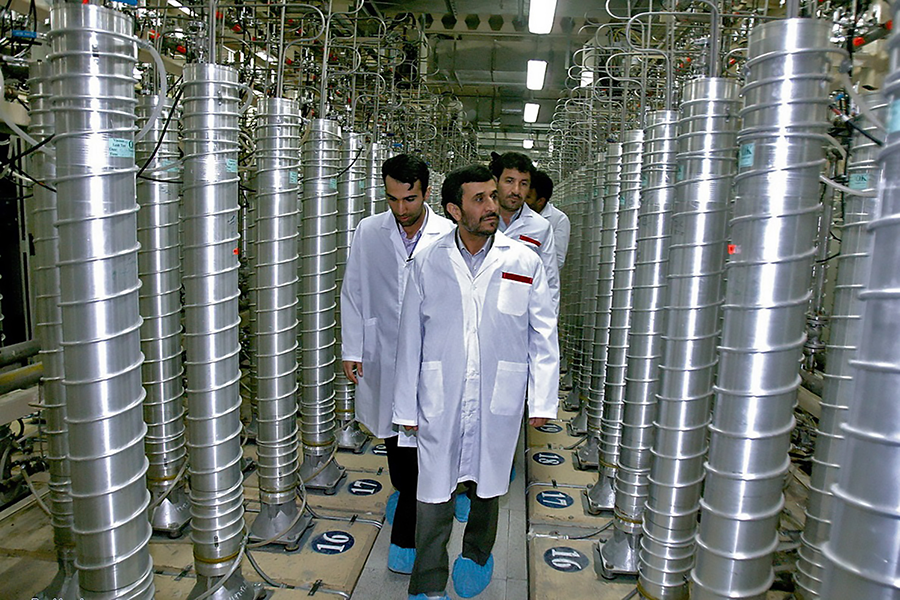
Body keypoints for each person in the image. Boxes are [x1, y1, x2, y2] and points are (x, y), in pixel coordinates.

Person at [393, 164, 559, 599]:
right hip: (440, 391)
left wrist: (542, 398)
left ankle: (478, 555)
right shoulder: (428, 261)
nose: (493, 206)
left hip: (498, 391)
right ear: (454, 210)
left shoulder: (523, 259)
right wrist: (405, 409)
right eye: (480, 199)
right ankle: (428, 582)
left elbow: (543, 332)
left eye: (492, 195)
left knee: (489, 483)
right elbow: (411, 336)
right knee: (433, 491)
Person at [341, 153, 454, 574]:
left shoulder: (448, 232)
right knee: (392, 431)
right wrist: (353, 347)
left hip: (432, 356)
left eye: (409, 199)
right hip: (384, 352)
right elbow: (353, 290)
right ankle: (406, 491)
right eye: (392, 200)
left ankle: (407, 533)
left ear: (426, 192)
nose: (400, 209)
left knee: (423, 442)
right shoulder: (369, 231)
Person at [489, 151, 560, 310]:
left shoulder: (540, 227)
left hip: (521, 315)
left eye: (524, 183)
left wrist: (547, 330)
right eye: (509, 181)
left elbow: (550, 283)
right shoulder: (479, 219)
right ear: (495, 182)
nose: (516, 190)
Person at [526, 170, 570, 270]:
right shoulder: (517, 214)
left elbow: (558, 260)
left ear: (540, 201)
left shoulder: (559, 220)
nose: (523, 200)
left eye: (528, 197)